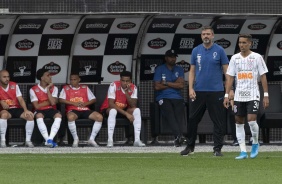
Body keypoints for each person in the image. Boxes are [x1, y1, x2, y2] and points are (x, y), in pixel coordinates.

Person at [180, 26, 229, 156]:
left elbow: (227, 72)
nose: (206, 36)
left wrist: (229, 91)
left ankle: (217, 149)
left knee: (218, 121)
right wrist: (190, 88)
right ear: (201, 36)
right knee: (192, 119)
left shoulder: (219, 50)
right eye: (203, 34)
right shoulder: (196, 50)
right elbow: (192, 71)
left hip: (216, 91)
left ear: (213, 35)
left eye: (208, 34)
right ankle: (190, 147)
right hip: (199, 91)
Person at [223, 34, 269, 159]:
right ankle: (243, 151)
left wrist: (266, 95)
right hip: (239, 95)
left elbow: (263, 76)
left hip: (253, 94)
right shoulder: (234, 58)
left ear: (250, 44)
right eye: (240, 43)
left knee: (252, 120)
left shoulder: (257, 57)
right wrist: (227, 95)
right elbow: (230, 78)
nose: (241, 45)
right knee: (238, 121)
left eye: (244, 42)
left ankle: (255, 142)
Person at [100, 71, 145, 147]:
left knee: (137, 110)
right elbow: (111, 104)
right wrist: (126, 114)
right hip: (109, 109)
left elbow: (133, 105)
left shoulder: (134, 87)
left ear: (130, 81)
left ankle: (137, 140)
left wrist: (127, 92)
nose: (125, 83)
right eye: (123, 80)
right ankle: (110, 140)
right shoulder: (113, 85)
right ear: (120, 80)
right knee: (113, 111)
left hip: (124, 109)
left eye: (127, 81)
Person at [59, 72, 103, 147]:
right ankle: (76, 139)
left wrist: (86, 104)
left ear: (79, 80)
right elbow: (60, 100)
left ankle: (91, 139)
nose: (72, 81)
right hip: (73, 109)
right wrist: (73, 103)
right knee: (70, 117)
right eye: (71, 80)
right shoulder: (66, 88)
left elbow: (93, 99)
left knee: (99, 117)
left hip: (85, 109)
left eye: (74, 79)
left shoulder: (84, 88)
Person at [153, 49, 186, 147]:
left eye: (174, 57)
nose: (173, 59)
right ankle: (179, 136)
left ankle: (178, 137)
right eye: (171, 57)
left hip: (177, 97)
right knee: (170, 113)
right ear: (166, 58)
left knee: (178, 115)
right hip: (163, 97)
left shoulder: (179, 69)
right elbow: (157, 86)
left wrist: (166, 83)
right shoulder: (160, 69)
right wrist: (174, 83)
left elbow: (181, 86)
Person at [0, 70, 35, 148]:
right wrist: (1, 101)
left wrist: (26, 110)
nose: (7, 79)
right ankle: (2, 141)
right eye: (4, 77)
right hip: (5, 110)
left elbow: (20, 99)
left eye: (8, 76)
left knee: (30, 116)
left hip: (16, 108)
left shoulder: (14, 85)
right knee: (4, 115)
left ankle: (28, 141)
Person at [29, 68, 62, 148]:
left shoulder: (54, 88)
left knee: (58, 116)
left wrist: (48, 90)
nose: (50, 77)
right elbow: (36, 106)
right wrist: (49, 102)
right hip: (39, 110)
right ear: (42, 78)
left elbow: (53, 103)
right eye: (48, 75)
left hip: (51, 109)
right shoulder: (33, 89)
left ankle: (50, 139)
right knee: (39, 116)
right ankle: (47, 139)